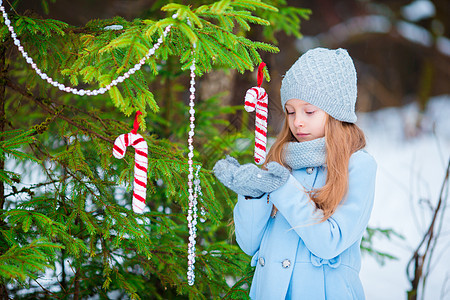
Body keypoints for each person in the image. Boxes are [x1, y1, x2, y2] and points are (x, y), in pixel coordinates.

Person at [213, 47, 377, 300]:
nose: (297, 121)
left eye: (309, 111)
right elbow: (250, 245)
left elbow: (329, 243)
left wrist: (282, 187)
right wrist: (251, 196)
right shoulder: (280, 160)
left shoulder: (357, 165)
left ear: (336, 112)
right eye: (290, 111)